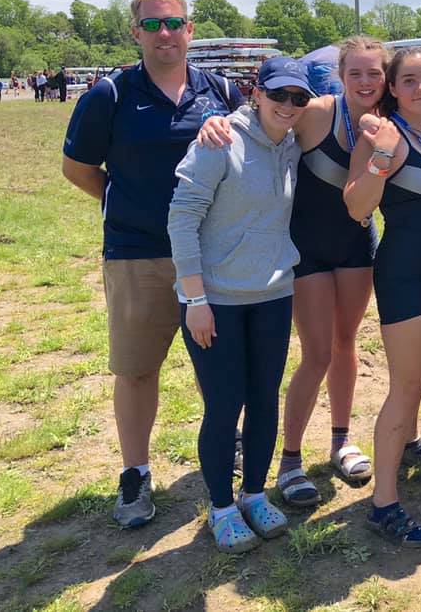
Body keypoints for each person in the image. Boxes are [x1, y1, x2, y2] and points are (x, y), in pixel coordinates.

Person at [61, 0, 243, 529]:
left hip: (212, 254)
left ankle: (225, 445)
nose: (165, 34)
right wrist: (134, 206)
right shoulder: (110, 95)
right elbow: (78, 168)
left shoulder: (223, 91)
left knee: (221, 366)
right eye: (153, 25)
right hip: (138, 254)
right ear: (136, 32)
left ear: (190, 30)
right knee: (138, 370)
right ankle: (136, 473)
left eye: (175, 24)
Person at [196, 37, 392, 504]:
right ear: (341, 75)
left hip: (356, 246)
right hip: (306, 249)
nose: (366, 82)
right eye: (356, 73)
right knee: (317, 353)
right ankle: (290, 458)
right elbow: (263, 121)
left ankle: (342, 441)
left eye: (374, 73)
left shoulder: (388, 124)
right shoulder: (314, 112)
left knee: (347, 346)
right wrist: (214, 121)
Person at [167, 57, 306, 553]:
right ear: (257, 93)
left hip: (273, 294)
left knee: (265, 400)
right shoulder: (219, 140)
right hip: (217, 300)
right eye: (279, 95)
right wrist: (196, 298)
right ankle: (221, 507)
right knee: (225, 406)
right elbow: (182, 218)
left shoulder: (292, 144)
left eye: (298, 98)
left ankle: (253, 494)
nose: (288, 106)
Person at [344, 47, 421, 547]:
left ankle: (408, 442)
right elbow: (356, 206)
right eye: (407, 80)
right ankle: (383, 504)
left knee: (419, 372)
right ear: (392, 87)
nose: (418, 88)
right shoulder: (379, 133)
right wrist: (384, 159)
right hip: (405, 270)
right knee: (405, 385)